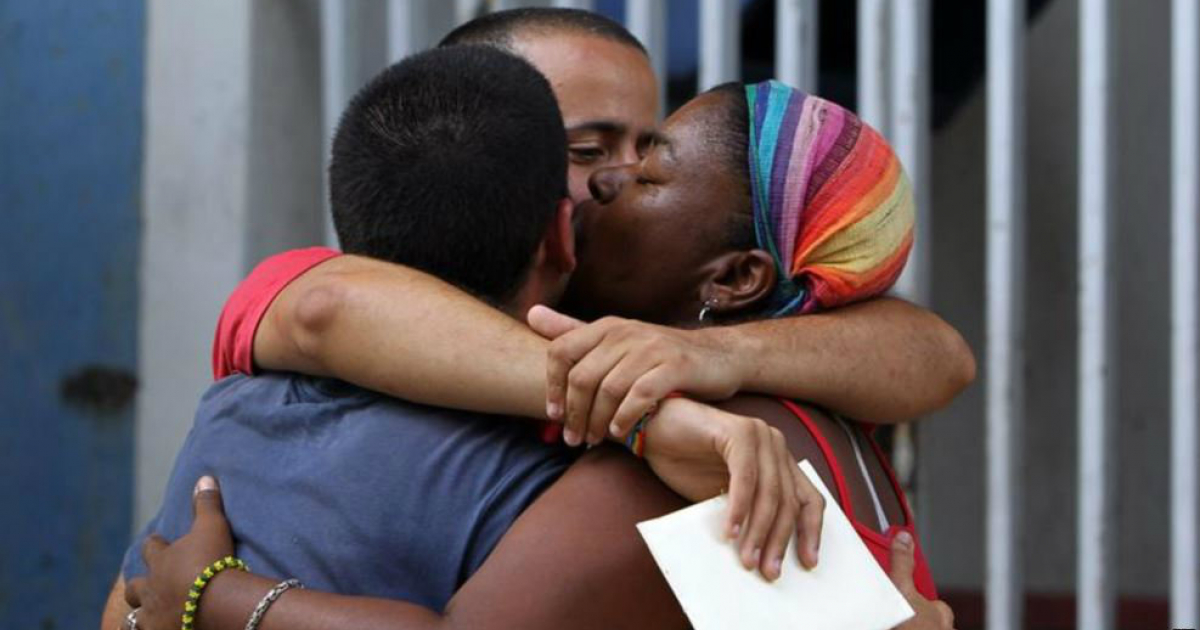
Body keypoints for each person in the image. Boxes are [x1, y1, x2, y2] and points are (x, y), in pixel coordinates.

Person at [111, 69, 956, 629]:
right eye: (586, 157)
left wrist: (217, 595)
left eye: (646, 169)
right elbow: (325, 306)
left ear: (737, 276)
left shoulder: (714, 445)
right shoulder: (741, 413)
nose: (602, 183)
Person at [213, 9, 974, 453]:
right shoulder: (334, 296)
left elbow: (939, 355)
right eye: (586, 150)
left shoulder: (661, 334)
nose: (621, 178)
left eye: (649, 153)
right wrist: (659, 421)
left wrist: (707, 354)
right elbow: (323, 309)